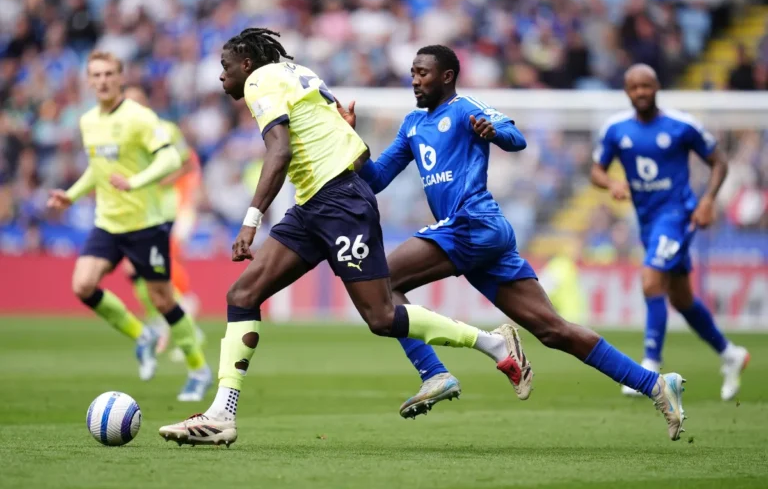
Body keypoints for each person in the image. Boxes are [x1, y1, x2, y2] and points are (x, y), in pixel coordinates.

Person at [158, 29, 533, 448]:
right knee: (243, 295)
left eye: (225, 68)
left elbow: (278, 151)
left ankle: (492, 343)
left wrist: (251, 220)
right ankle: (222, 414)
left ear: (246, 64)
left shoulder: (260, 81)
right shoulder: (293, 71)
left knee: (382, 317)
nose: (221, 77)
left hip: (338, 200)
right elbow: (338, 141)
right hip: (315, 202)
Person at [336, 45, 686, 441]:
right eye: (413, 73)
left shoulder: (466, 107)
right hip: (478, 235)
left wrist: (494, 131)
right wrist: (350, 137)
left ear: (447, 76)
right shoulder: (413, 124)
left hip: (473, 223)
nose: (415, 80)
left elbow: (516, 138)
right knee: (554, 331)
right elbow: (375, 179)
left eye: (423, 73)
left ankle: (435, 371)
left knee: (381, 284)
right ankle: (656, 384)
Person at [46, 51, 212, 402]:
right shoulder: (88, 120)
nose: (103, 80)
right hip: (107, 222)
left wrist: (137, 182)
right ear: (88, 80)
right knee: (83, 285)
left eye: (109, 74)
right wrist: (72, 195)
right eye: (96, 75)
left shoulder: (140, 117)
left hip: (145, 224)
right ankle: (142, 335)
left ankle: (198, 369)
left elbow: (170, 157)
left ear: (120, 78)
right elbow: (98, 167)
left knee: (162, 298)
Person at [590, 63, 749, 401]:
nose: (641, 93)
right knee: (681, 298)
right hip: (647, 220)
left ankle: (648, 368)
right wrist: (611, 182)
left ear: (657, 86)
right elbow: (596, 171)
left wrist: (707, 201)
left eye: (646, 86)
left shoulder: (681, 125)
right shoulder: (616, 129)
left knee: (651, 279)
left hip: (678, 215)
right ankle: (729, 353)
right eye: (634, 88)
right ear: (626, 91)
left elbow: (719, 162)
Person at [121, 85, 205, 362]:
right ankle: (163, 319)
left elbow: (187, 164)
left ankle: (185, 319)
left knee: (161, 263)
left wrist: (154, 180)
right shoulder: (122, 136)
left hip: (171, 209)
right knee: (133, 268)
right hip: (141, 211)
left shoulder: (165, 129)